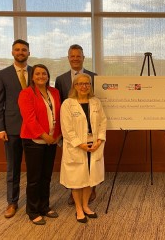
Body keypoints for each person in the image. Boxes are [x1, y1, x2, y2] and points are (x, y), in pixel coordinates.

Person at [0, 39, 32, 218]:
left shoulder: (36, 73)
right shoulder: (2, 75)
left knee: (34, 167)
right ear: (12, 52)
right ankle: (12, 202)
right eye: (17, 49)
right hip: (12, 129)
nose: (20, 52)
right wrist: (0, 128)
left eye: (24, 49)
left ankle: (34, 202)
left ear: (29, 53)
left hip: (33, 129)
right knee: (13, 168)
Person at [60, 73, 107, 223]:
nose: (84, 86)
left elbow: (102, 122)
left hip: (93, 145)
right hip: (77, 147)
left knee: (89, 179)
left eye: (87, 83)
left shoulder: (95, 102)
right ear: (74, 86)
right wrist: (80, 145)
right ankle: (78, 209)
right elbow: (66, 129)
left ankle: (86, 206)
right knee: (76, 180)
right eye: (80, 83)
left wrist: (99, 140)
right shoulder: (68, 104)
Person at [18, 64, 61, 225]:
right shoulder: (26, 94)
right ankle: (33, 210)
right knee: (34, 178)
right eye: (37, 74)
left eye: (44, 73)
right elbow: (29, 120)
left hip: (52, 140)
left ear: (48, 76)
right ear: (32, 77)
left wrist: (57, 135)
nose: (41, 76)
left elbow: (58, 113)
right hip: (34, 141)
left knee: (46, 176)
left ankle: (44, 206)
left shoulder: (54, 92)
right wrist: (44, 135)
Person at [55, 44, 97, 205]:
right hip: (72, 129)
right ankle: (75, 192)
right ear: (68, 58)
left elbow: (96, 101)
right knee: (75, 165)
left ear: (83, 57)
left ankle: (92, 189)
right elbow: (60, 106)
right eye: (72, 56)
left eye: (78, 56)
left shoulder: (94, 76)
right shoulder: (61, 79)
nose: (75, 59)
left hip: (90, 129)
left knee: (91, 162)